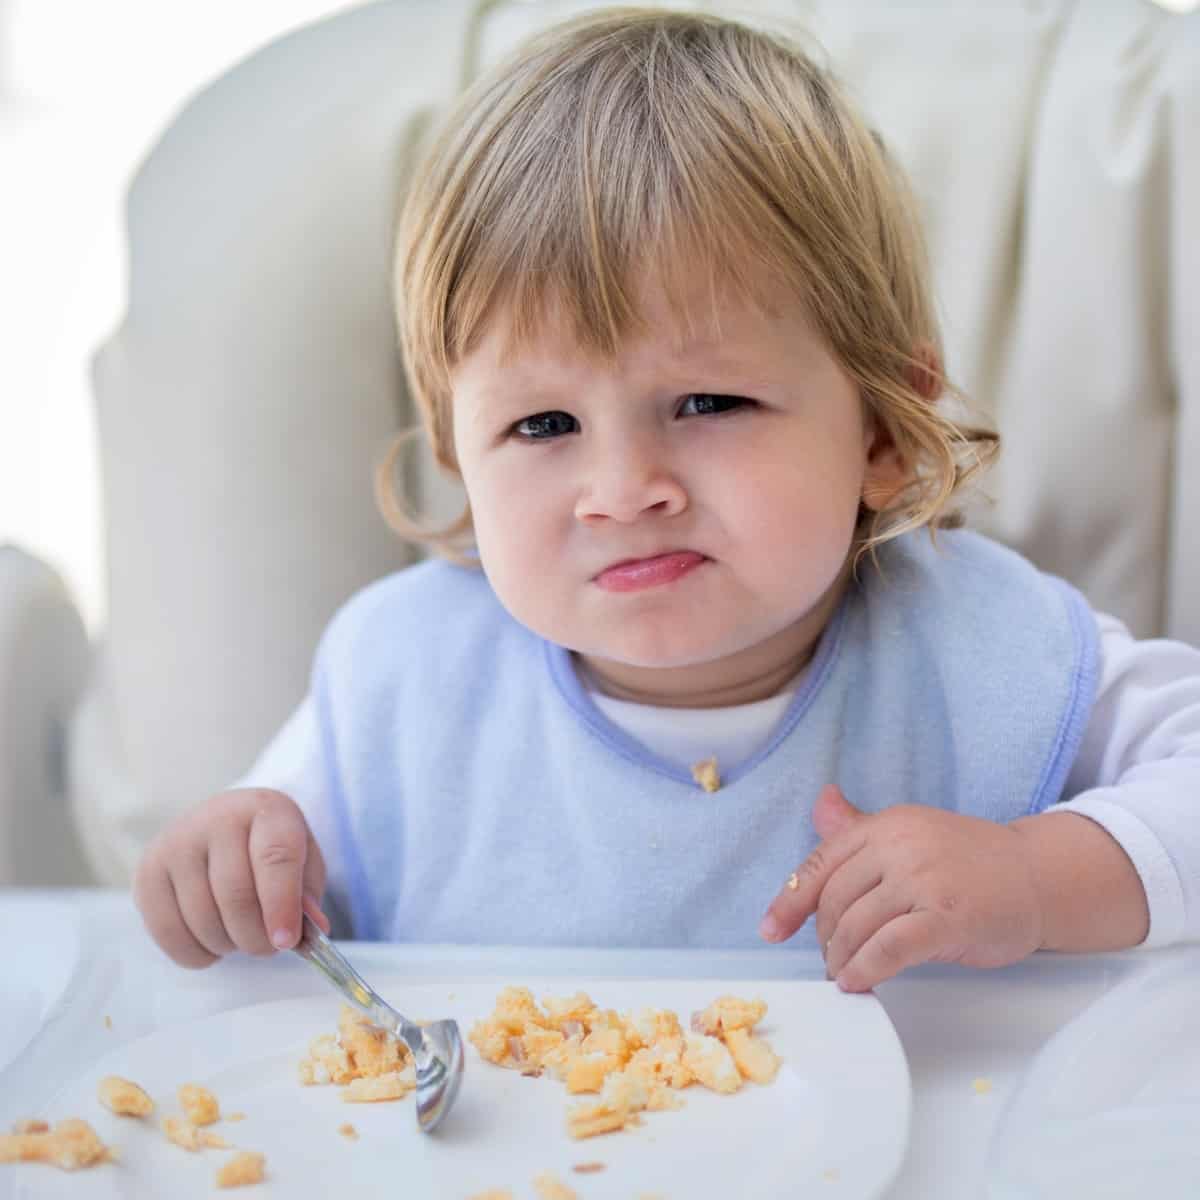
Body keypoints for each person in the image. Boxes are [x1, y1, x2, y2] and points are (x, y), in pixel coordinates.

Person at [133, 6, 1200, 992]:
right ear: (460, 456)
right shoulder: (404, 689)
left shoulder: (983, 652)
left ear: (878, 428)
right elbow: (252, 878)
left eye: (706, 401)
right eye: (541, 426)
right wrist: (227, 865)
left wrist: (1031, 873)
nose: (623, 491)